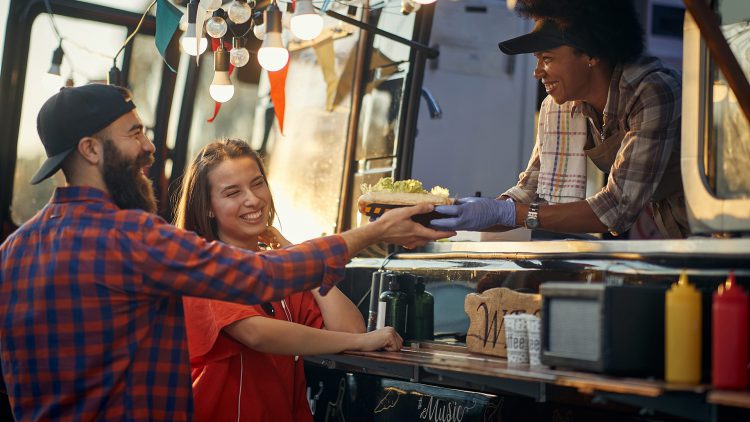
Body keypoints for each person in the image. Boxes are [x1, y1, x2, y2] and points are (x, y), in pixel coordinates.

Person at [0, 84, 453, 421]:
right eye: (134, 133)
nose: (149, 147)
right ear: (91, 150)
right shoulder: (131, 238)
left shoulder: (12, 252)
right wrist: (373, 231)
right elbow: (261, 280)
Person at [174, 139, 403, 422]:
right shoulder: (201, 265)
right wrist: (362, 341)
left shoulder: (280, 272)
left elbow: (349, 327)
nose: (253, 199)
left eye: (257, 184)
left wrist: (294, 255)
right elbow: (256, 334)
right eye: (233, 192)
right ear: (208, 207)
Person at [432, 0, 688, 239]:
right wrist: (453, 214)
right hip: (672, 230)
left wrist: (505, 213)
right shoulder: (560, 107)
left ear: (591, 54)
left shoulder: (651, 91)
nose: (537, 72)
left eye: (547, 59)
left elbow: (616, 207)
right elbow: (530, 192)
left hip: (712, 224)